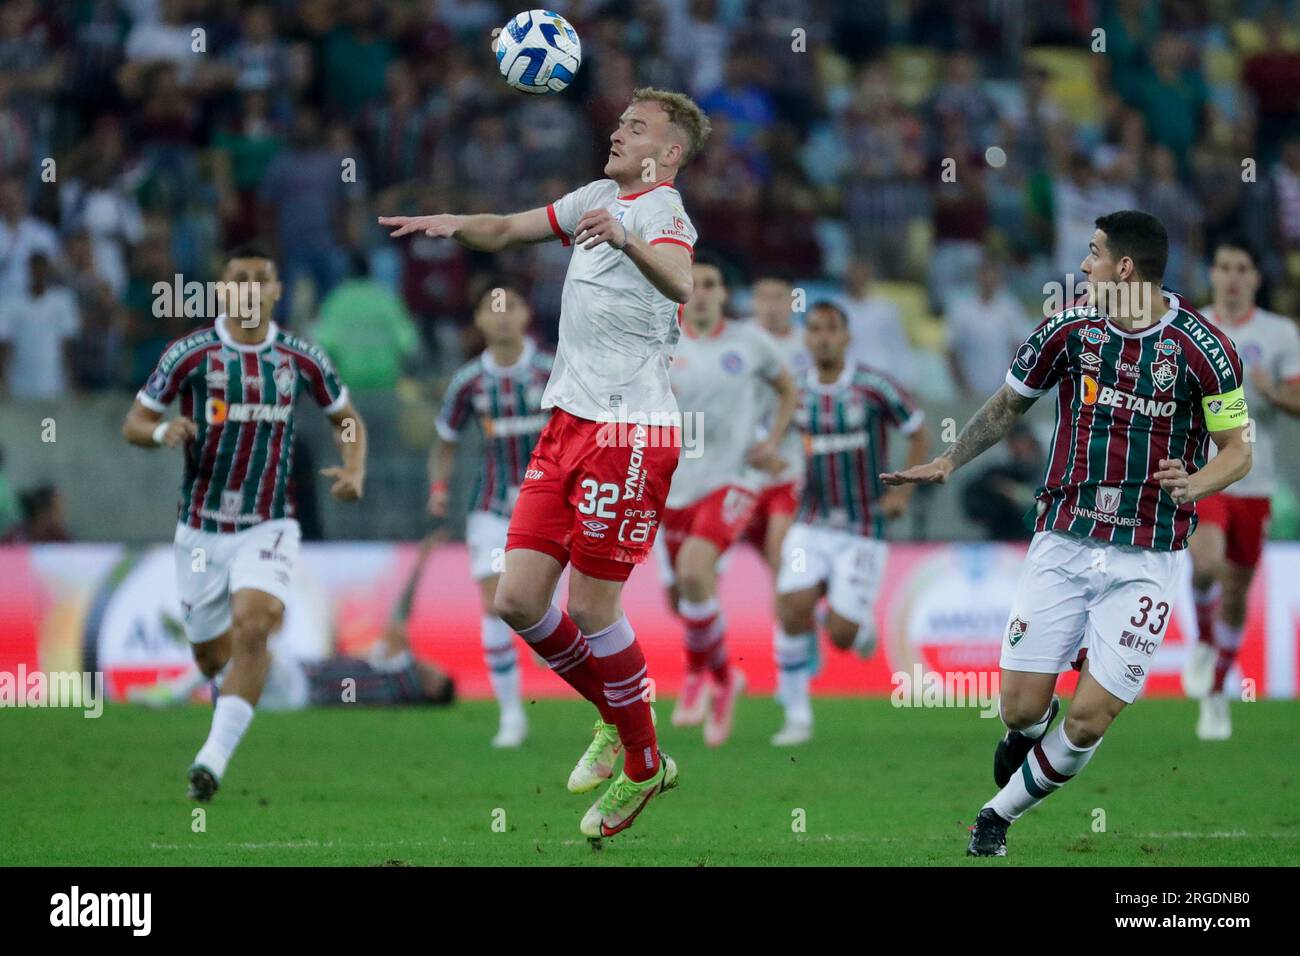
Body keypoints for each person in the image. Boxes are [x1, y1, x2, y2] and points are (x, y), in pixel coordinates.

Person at [380, 87, 709, 839]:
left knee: (594, 609)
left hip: (631, 431)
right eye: (620, 120)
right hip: (566, 425)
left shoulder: (664, 211)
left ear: (670, 152)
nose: (619, 131)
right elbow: (508, 228)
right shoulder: (596, 193)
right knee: (518, 601)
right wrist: (455, 224)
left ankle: (642, 762)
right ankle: (616, 719)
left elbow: (683, 282)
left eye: (637, 126)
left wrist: (625, 239)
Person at [883, 211, 1253, 857]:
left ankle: (995, 817)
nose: (1084, 266)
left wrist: (1195, 483)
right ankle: (1033, 724)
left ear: (1126, 268)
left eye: (1094, 254)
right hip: (1064, 540)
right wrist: (948, 460)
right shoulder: (1068, 328)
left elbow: (1237, 450)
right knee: (1022, 712)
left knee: (1089, 721)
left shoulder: (1205, 350)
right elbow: (1007, 405)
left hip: (1148, 554)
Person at [121, 242, 368, 802]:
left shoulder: (301, 358)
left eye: (262, 279)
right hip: (201, 531)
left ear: (276, 291)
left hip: (269, 523)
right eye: (239, 279)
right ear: (223, 289)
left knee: (254, 625)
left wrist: (353, 468)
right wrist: (162, 433)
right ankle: (259, 676)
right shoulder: (190, 354)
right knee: (212, 656)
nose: (251, 289)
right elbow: (135, 421)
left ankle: (211, 760)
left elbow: (346, 418)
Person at [773, 300, 929, 746]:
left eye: (831, 329)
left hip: (865, 525)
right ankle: (797, 715)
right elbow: (776, 436)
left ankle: (859, 630)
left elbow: (918, 429)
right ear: (806, 337)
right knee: (792, 605)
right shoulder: (795, 388)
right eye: (814, 329)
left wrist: (903, 491)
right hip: (812, 521)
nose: (822, 337)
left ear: (847, 337)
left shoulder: (874, 386)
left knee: (840, 635)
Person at [655, 256, 796, 746]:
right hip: (673, 485)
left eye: (712, 284)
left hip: (733, 478)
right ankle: (724, 678)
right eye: (693, 285)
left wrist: (771, 442)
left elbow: (787, 390)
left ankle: (696, 675)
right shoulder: (661, 344)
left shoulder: (749, 342)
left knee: (696, 572)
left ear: (722, 294)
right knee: (681, 596)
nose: (702, 292)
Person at [1184, 238, 1300, 739]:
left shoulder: (1279, 333)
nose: (1233, 276)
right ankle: (1205, 642)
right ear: (1213, 274)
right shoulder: (1193, 326)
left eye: (1243, 268)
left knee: (1237, 593)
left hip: (1257, 476)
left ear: (1255, 278)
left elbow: (1296, 400)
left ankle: (1215, 691)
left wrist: (1272, 392)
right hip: (1207, 469)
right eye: (1224, 266)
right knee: (1206, 565)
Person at [430, 283, 553, 748]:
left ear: (526, 315)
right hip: (492, 508)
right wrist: (439, 488)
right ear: (478, 320)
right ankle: (511, 717)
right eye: (491, 309)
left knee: (544, 606)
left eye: (511, 306)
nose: (501, 317)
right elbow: (444, 443)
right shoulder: (468, 382)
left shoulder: (551, 370)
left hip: (552, 505)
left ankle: (549, 635)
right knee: (493, 603)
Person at [0, 252, 79, 400]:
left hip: (53, 383)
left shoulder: (62, 301)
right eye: (34, 268)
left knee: (49, 423)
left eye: (41, 268)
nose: (38, 273)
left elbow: (68, 343)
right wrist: (3, 379)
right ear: (28, 270)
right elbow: (5, 343)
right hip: (19, 384)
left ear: (47, 270)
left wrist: (72, 379)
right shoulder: (11, 302)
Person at [960, 423, 1043, 541]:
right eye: (1012, 443)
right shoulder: (997, 471)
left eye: (1021, 443)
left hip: (1031, 537)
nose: (1017, 449)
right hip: (1001, 536)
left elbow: (1041, 499)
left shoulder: (1045, 469)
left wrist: (1013, 491)